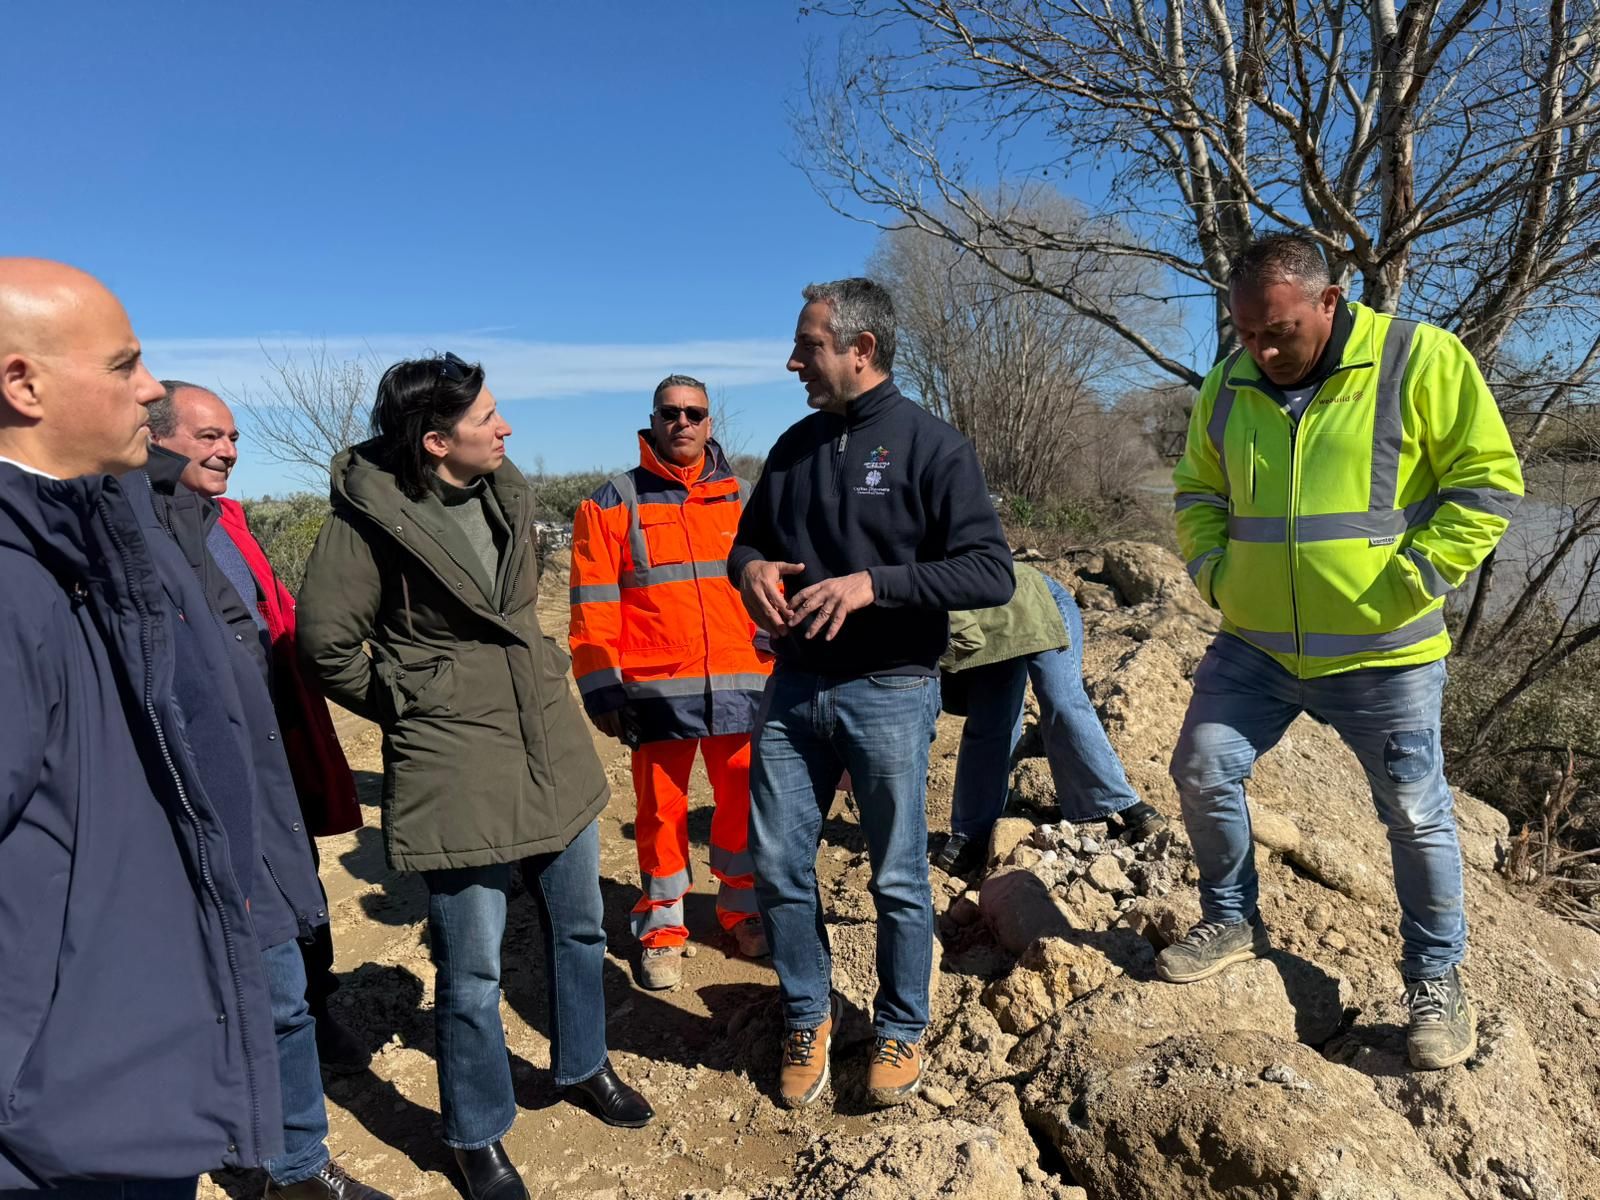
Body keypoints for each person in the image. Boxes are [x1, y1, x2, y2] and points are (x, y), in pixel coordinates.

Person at [1163, 233, 1523, 1071]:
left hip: (1383, 651)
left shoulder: (1416, 359)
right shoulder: (1227, 384)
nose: (1261, 349)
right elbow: (1196, 491)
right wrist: (1214, 574)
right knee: (1201, 768)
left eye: (1278, 330)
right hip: (1256, 644)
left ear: (1330, 300)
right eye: (1246, 332)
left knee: (1417, 815)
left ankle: (1436, 979)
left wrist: (1415, 577)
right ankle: (1232, 919)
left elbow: (1488, 482)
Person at [297, 353, 653, 1200]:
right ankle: (477, 1132)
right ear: (434, 440)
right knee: (472, 968)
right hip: (457, 764)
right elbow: (324, 645)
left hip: (549, 742)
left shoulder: (505, 493)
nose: (505, 427)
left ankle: (583, 1065)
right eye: (487, 417)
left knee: (580, 928)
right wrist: (419, 701)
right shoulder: (367, 521)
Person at [0, 257, 280, 1197]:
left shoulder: (89, 536)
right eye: (124, 364)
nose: (152, 388)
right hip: (61, 1120)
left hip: (123, 1072)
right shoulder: (14, 580)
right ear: (22, 384)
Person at [730, 278, 1014, 1110]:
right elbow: (748, 540)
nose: (793, 362)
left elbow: (990, 572)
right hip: (794, 688)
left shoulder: (933, 447)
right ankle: (806, 1013)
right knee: (778, 865)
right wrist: (749, 569)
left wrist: (873, 585)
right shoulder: (794, 446)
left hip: (891, 687)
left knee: (895, 875)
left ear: (861, 349)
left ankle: (900, 1024)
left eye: (809, 346)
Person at [139, 388, 384, 1200]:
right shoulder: (138, 537)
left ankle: (292, 1136)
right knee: (258, 983)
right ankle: (283, 1162)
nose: (230, 450)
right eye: (210, 436)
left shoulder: (227, 525)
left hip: (272, 767)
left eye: (234, 436)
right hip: (210, 792)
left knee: (295, 946)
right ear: (157, 440)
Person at [569, 374, 773, 990]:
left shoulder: (746, 497)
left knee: (743, 800)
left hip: (743, 682)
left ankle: (742, 909)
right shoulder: (613, 502)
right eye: (670, 412)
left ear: (710, 423)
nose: (682, 421)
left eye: (694, 412)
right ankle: (661, 925)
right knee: (660, 811)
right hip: (655, 691)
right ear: (653, 420)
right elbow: (593, 602)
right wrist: (602, 686)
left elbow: (775, 588)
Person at [934, 562, 1165, 876]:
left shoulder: (915, 589)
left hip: (1039, 604)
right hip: (991, 632)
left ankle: (1123, 804)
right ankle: (972, 833)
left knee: (1060, 699)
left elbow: (952, 650)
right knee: (988, 724)